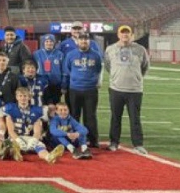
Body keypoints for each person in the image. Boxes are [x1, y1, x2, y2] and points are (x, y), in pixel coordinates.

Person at [104, 25, 150, 154]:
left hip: (135, 90)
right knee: (115, 117)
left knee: (135, 118)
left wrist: (136, 78)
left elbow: (145, 66)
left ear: (132, 35)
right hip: (116, 89)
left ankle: (138, 144)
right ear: (118, 35)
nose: (125, 35)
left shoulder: (140, 49)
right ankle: (114, 142)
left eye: (127, 33)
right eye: (122, 33)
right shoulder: (110, 49)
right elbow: (108, 66)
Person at [0, 87, 65, 164]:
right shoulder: (10, 108)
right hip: (16, 137)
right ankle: (17, 155)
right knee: (12, 146)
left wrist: (34, 140)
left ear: (29, 97)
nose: (23, 98)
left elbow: (37, 131)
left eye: (25, 96)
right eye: (20, 96)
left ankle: (48, 157)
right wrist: (18, 140)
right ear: (16, 97)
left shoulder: (36, 110)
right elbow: (10, 130)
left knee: (41, 147)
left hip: (30, 137)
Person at [62, 32, 102, 148]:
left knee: (90, 116)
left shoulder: (96, 55)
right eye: (81, 40)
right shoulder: (70, 55)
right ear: (77, 41)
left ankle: (93, 140)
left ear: (89, 41)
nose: (83, 42)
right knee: (74, 115)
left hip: (90, 90)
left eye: (86, 40)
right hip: (74, 89)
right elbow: (67, 69)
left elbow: (98, 69)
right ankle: (75, 139)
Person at [33, 34, 64, 106]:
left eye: (51, 41)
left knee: (55, 105)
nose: (49, 43)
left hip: (56, 84)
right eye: (47, 41)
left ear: (54, 43)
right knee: (43, 105)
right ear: (43, 42)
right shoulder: (36, 54)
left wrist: (63, 83)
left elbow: (63, 69)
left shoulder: (60, 54)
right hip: (42, 84)